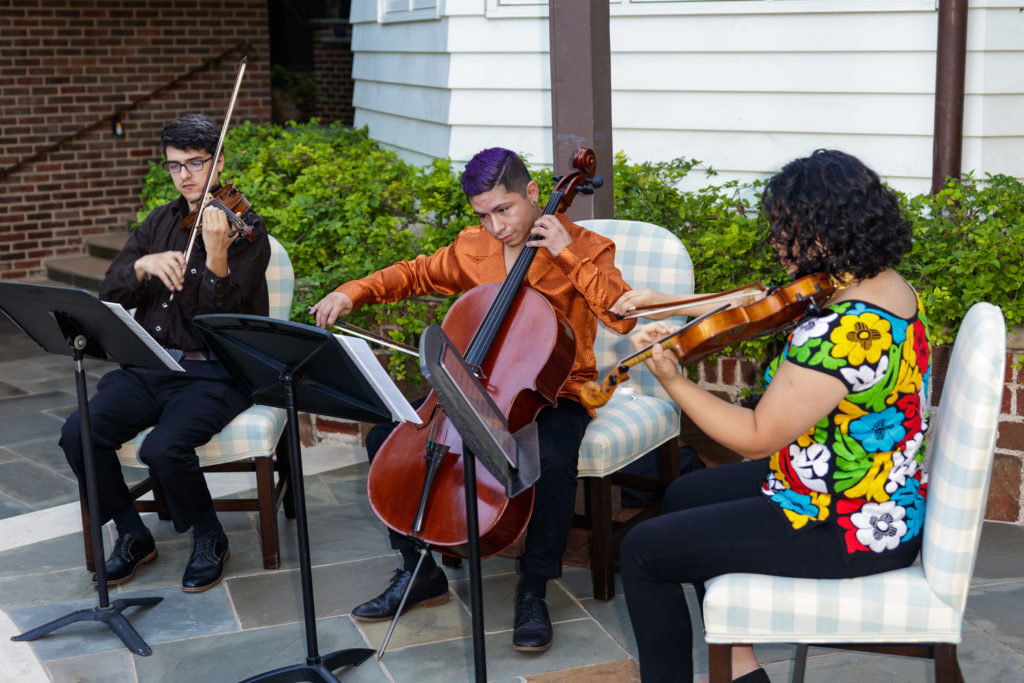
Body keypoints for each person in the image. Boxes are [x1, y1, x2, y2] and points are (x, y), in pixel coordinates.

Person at [619, 149, 930, 682]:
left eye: (788, 230)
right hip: (865, 487)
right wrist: (674, 304)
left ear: (827, 230)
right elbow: (764, 301)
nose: (778, 243)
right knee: (682, 495)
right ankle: (741, 667)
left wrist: (673, 382)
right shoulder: (884, 286)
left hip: (847, 525)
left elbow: (755, 437)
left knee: (644, 551)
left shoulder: (838, 336)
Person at [310, 147, 636, 651]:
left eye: (503, 210)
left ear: (532, 194)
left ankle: (534, 587)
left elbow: (622, 314)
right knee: (389, 440)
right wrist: (355, 291)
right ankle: (419, 572)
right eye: (482, 215)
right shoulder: (472, 247)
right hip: (478, 383)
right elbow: (415, 272)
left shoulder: (587, 246)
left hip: (555, 392)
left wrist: (566, 251)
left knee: (549, 458)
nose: (496, 226)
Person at [60, 113, 270, 592]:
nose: (186, 176)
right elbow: (110, 296)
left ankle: (210, 536)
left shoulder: (247, 232)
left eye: (196, 163)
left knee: (163, 447)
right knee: (79, 432)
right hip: (149, 364)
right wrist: (142, 266)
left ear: (218, 164)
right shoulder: (158, 222)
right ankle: (134, 536)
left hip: (213, 374)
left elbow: (226, 321)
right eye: (175, 166)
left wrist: (216, 256)